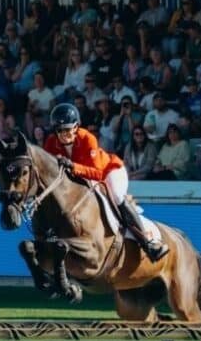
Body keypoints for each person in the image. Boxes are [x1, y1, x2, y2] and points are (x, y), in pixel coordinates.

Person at [45, 104, 167, 261]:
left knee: (117, 196)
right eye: (60, 130)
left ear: (76, 126)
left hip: (110, 171)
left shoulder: (88, 138)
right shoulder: (50, 142)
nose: (64, 134)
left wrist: (72, 166)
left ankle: (148, 241)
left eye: (68, 129)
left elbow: (97, 173)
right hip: (80, 178)